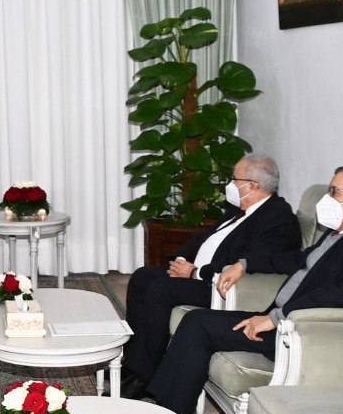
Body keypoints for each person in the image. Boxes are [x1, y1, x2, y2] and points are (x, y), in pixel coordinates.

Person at [146, 163, 343, 414]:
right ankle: (167, 408)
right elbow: (298, 259)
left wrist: (277, 318)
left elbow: (342, 294)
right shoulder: (342, 232)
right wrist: (244, 264)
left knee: (199, 325)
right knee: (196, 320)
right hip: (282, 319)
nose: (327, 198)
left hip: (304, 331)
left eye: (334, 192)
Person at [119, 154, 301, 400]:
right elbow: (203, 238)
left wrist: (195, 272)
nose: (230, 185)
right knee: (142, 277)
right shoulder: (239, 209)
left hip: (219, 286)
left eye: (235, 180)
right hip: (196, 273)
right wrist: (180, 260)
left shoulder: (278, 219)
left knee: (161, 289)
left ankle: (145, 375)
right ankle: (133, 364)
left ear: (252, 186)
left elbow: (249, 261)